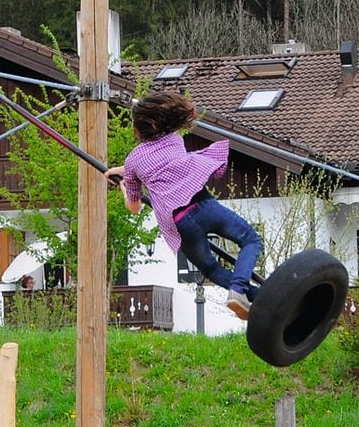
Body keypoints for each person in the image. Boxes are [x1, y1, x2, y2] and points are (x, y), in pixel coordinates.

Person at [105, 91, 263, 320]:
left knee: (210, 268)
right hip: (203, 207)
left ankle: (257, 299)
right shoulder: (175, 140)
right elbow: (163, 163)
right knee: (250, 239)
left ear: (137, 130)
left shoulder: (133, 162)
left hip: (181, 224)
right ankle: (238, 289)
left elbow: (134, 206)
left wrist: (124, 184)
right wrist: (124, 172)